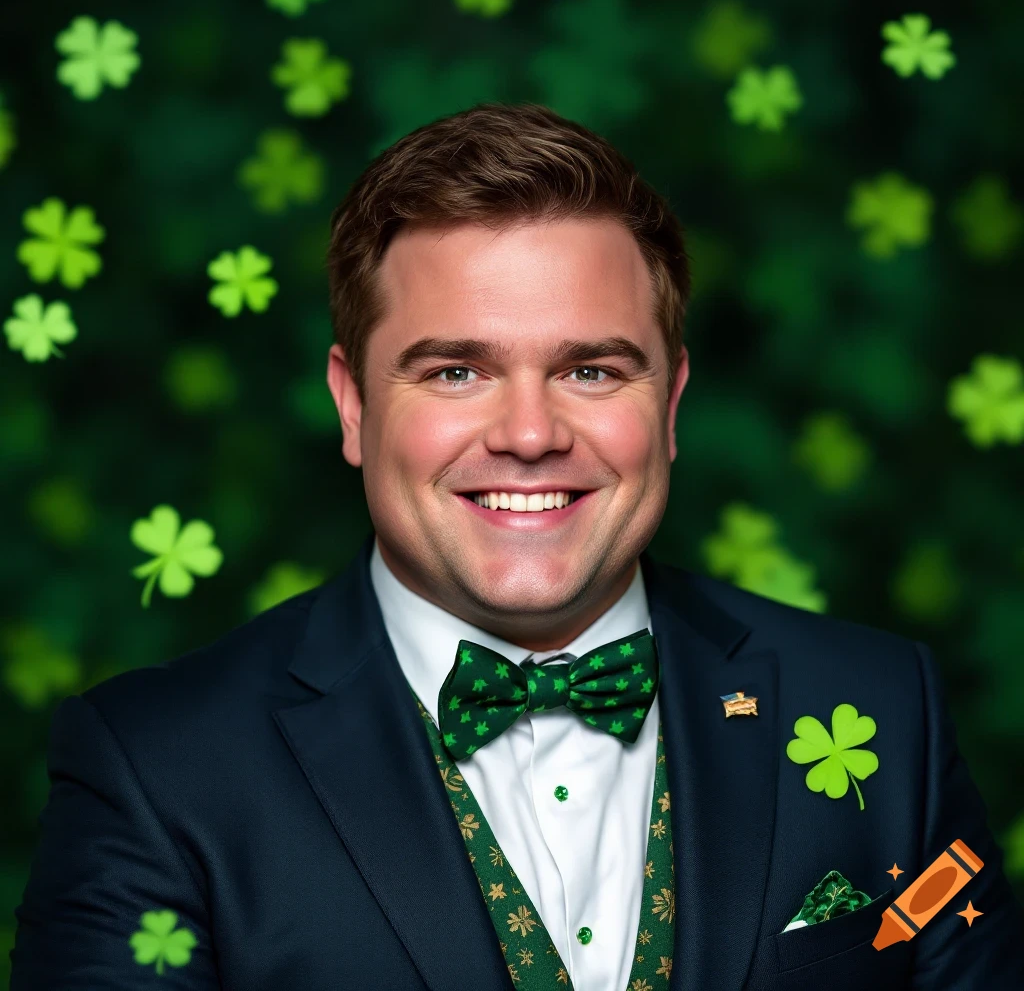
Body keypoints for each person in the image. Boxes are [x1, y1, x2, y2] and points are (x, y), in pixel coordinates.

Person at [10, 102, 1024, 991]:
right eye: (456, 372)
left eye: (590, 370)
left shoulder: (882, 715)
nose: (530, 434)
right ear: (354, 405)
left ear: (669, 403)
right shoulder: (157, 769)